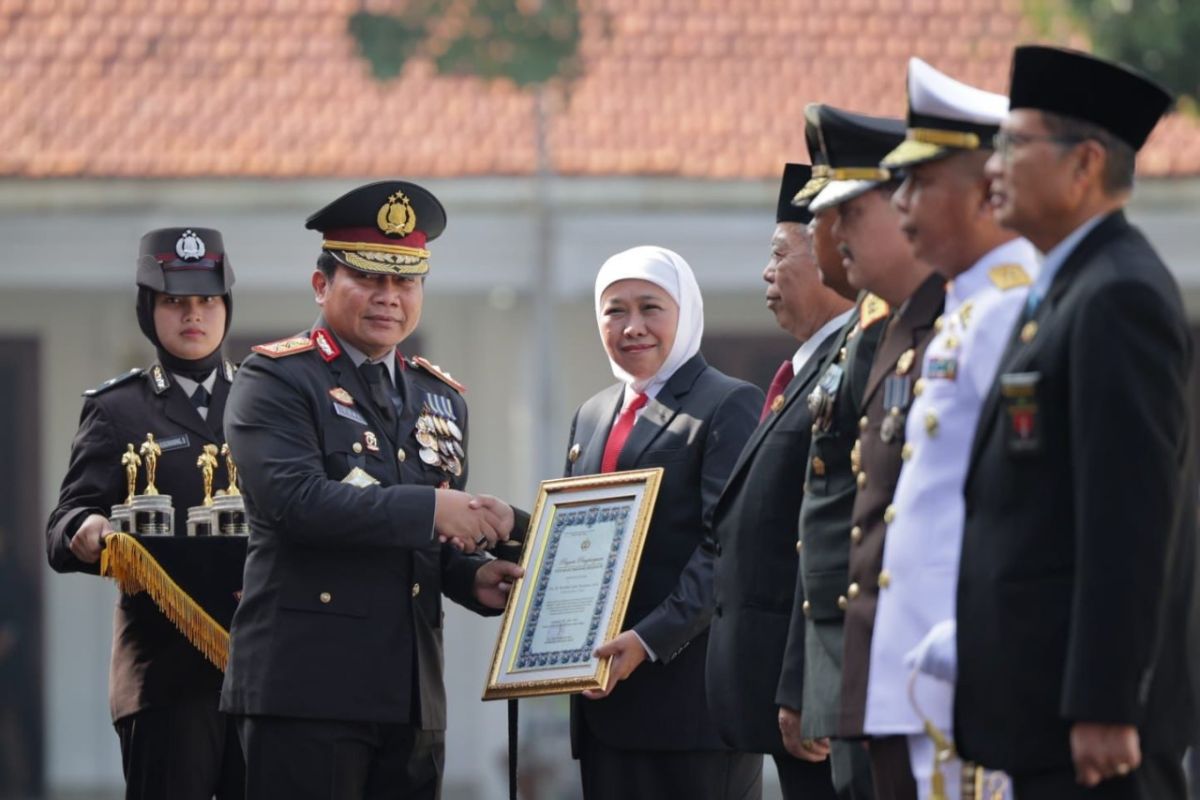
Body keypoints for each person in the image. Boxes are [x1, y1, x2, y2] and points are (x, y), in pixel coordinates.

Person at [219, 180, 525, 800]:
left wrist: (470, 578)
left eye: (405, 282)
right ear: (321, 285)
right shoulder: (274, 379)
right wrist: (433, 508)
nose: (389, 298)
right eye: (369, 279)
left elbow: (420, 541)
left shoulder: (441, 396)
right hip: (307, 692)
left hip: (411, 695)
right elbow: (297, 504)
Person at [956, 45, 1196, 800]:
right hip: (1043, 710)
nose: (992, 166)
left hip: (1093, 732)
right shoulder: (1063, 294)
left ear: (1085, 164)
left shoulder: (1117, 297)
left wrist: (1104, 701)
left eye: (1013, 143)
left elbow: (1129, 519)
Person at [863, 57, 1038, 800]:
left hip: (969, 661)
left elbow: (1030, 495)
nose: (900, 201)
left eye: (922, 182)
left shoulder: (1009, 311)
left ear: (986, 191)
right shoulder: (966, 312)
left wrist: (979, 635)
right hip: (926, 667)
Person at [46, 227, 244, 800]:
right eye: (174, 301)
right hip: (165, 676)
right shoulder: (116, 409)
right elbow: (64, 522)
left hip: (263, 666)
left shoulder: (268, 398)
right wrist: (87, 531)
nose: (194, 315)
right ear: (148, 308)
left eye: (207, 300)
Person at [563, 245, 763, 799]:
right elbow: (582, 539)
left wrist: (648, 641)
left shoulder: (726, 404)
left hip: (691, 704)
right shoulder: (593, 413)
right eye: (614, 310)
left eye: (651, 307)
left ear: (686, 312)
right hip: (604, 701)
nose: (632, 327)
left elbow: (724, 546)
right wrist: (513, 530)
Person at [805, 106, 942, 800]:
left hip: (931, 665)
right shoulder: (884, 333)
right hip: (868, 654)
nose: (830, 235)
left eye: (849, 214)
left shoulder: (952, 326)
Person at [706, 162, 853, 800]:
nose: (766, 273)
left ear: (826, 254)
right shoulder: (807, 368)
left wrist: (802, 683)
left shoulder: (850, 365)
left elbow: (825, 539)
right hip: (771, 693)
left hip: (813, 694)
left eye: (779, 253)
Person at [779, 105, 892, 800]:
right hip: (844, 663)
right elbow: (822, 526)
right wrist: (806, 678)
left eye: (842, 214)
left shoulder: (911, 334)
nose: (827, 235)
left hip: (895, 666)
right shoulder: (867, 336)